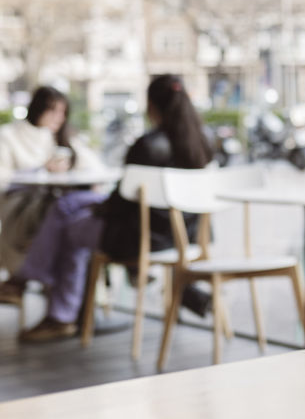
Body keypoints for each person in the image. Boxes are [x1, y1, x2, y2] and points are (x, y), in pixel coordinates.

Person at [2, 75, 214, 342]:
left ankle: (54, 309)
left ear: (151, 105)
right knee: (66, 207)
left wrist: (97, 208)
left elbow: (120, 206)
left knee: (68, 226)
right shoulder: (203, 142)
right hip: (184, 235)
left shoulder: (147, 145)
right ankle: (55, 308)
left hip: (140, 236)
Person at [0, 86, 103, 277]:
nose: (59, 118)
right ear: (37, 108)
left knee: (80, 209)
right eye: (53, 111)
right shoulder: (9, 136)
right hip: (19, 203)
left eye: (63, 112)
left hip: (54, 202)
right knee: (65, 211)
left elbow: (95, 166)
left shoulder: (62, 139)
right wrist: (41, 170)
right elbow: (3, 179)